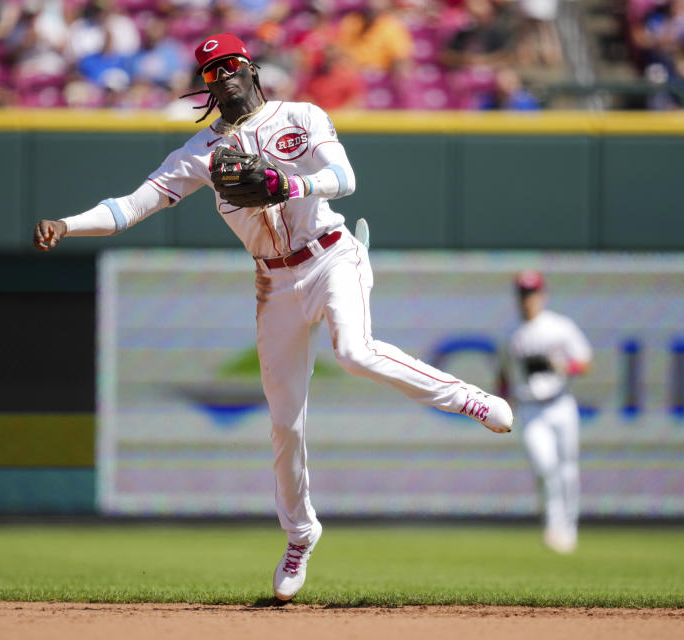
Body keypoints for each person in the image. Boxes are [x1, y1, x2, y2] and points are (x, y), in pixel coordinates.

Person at [32, 32, 514, 602]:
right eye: (211, 72)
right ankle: (300, 533)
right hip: (274, 281)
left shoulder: (302, 116)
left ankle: (466, 398)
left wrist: (290, 182)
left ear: (252, 69)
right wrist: (67, 223)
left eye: (231, 65)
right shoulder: (201, 153)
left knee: (355, 352)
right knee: (285, 422)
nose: (223, 77)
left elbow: (345, 178)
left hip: (331, 253)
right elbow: (131, 206)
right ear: (205, 86)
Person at [499, 271, 591, 554]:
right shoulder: (512, 335)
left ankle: (569, 528)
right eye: (524, 294)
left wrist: (562, 366)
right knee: (545, 466)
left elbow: (585, 362)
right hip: (530, 408)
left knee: (568, 469)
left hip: (560, 403)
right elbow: (503, 376)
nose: (528, 299)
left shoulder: (559, 327)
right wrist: (501, 405)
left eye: (533, 293)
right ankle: (554, 525)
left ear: (543, 295)